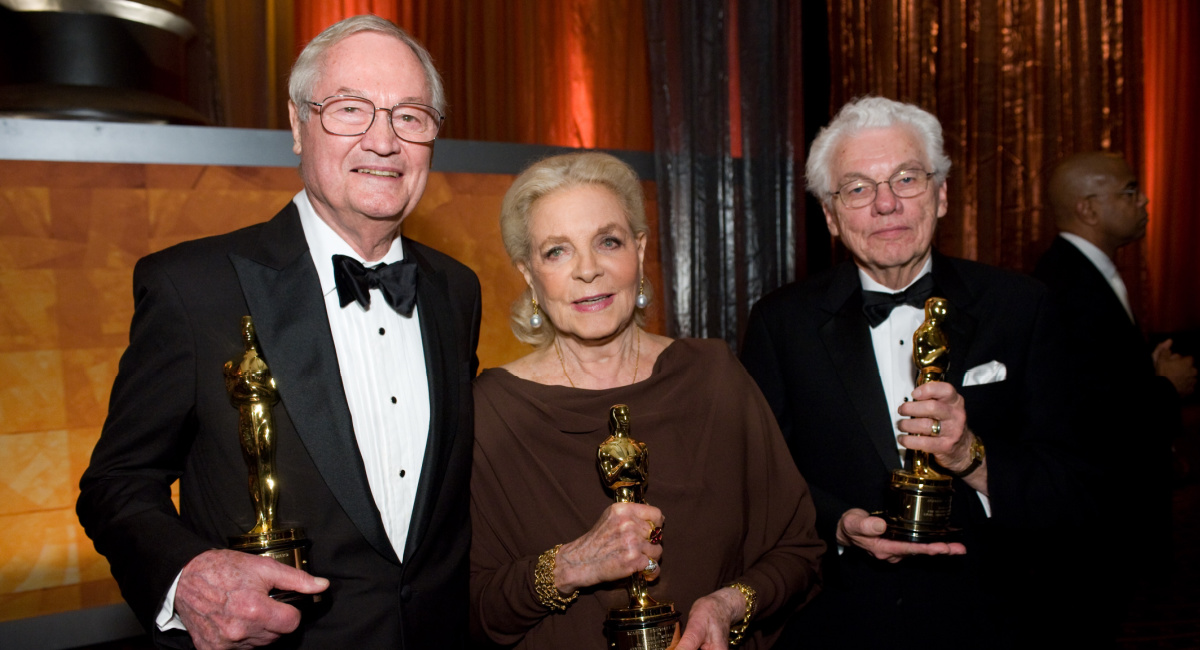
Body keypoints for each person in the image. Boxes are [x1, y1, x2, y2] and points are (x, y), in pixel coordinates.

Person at [76, 15, 481, 649]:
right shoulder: (193, 287)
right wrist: (187, 578)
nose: (384, 141)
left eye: (410, 116)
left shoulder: (456, 290)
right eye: (351, 110)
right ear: (297, 125)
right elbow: (116, 483)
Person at [740, 96, 1093, 648]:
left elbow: (1075, 483)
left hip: (994, 621)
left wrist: (972, 458)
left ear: (941, 194)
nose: (886, 204)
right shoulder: (780, 323)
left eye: (906, 179)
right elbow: (760, 478)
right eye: (857, 188)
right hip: (840, 624)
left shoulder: (1023, 308)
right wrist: (836, 524)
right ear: (830, 216)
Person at [470, 152, 823, 649]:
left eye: (607, 242)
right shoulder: (491, 414)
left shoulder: (714, 377)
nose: (588, 270)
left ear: (638, 250)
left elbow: (798, 550)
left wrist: (727, 606)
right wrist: (571, 566)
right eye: (557, 251)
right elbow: (469, 606)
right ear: (529, 274)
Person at [1033, 151, 1196, 642]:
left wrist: (1145, 371)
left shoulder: (1086, 273)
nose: (1143, 200)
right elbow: (1092, 413)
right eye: (1129, 191)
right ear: (1087, 208)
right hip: (1092, 519)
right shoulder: (1066, 286)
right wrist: (1168, 386)